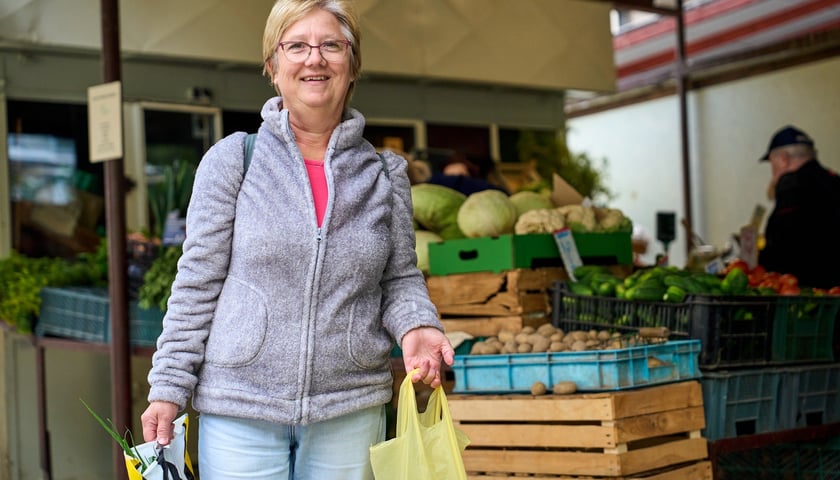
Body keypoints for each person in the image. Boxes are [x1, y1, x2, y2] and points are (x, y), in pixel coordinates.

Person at [140, 1, 455, 478]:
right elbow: (196, 284)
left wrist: (418, 326)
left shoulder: (386, 174)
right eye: (297, 46)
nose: (315, 58)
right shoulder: (233, 161)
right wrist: (167, 388)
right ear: (273, 66)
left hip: (349, 409)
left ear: (352, 67)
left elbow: (400, 279)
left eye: (332, 45)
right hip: (240, 409)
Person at [758, 125, 840, 289]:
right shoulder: (834, 181)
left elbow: (781, 246)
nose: (773, 173)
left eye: (772, 165)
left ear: (783, 159)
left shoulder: (791, 185)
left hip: (812, 297)